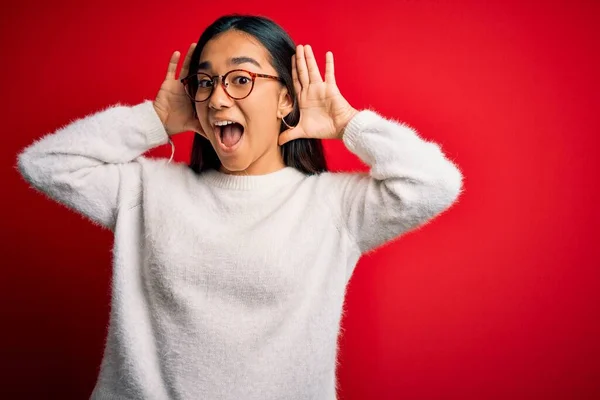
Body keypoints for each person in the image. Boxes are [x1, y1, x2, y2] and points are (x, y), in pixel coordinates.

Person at [16, 14, 464, 400]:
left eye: (241, 79)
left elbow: (435, 184)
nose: (217, 98)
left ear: (286, 97)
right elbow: (44, 163)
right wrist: (153, 121)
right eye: (206, 82)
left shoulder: (332, 205)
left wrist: (348, 124)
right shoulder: (146, 189)